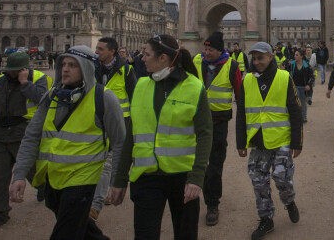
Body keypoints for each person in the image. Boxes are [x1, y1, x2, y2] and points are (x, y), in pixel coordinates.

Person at [9, 46, 125, 240]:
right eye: (63, 64)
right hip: (53, 177)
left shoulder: (104, 98)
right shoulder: (51, 97)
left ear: (86, 69)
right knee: (81, 228)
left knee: (66, 232)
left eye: (73, 65)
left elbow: (119, 142)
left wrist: (116, 182)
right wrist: (19, 174)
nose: (65, 69)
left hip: (83, 178)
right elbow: (31, 137)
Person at [109, 34, 213, 240]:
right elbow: (132, 134)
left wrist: (197, 177)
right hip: (147, 176)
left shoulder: (194, 86)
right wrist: (120, 178)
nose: (141, 58)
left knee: (185, 235)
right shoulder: (140, 85)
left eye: (146, 54)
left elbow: (205, 134)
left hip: (183, 176)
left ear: (163, 58)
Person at [236, 42, 303, 240]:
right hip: (257, 141)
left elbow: (295, 110)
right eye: (254, 58)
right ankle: (266, 219)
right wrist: (241, 142)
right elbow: (241, 113)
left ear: (271, 57)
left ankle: (289, 201)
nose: (257, 62)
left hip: (281, 139)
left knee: (282, 179)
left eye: (260, 58)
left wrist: (297, 142)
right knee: (259, 183)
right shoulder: (247, 79)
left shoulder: (284, 77)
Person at [0, 52, 50, 234]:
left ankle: (43, 187)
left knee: (33, 172)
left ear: (25, 68)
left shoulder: (39, 78)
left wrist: (25, 83)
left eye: (15, 71)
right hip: (1, 135)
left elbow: (43, 100)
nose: (11, 74)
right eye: (9, 70)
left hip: (24, 133)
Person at [192, 32, 242, 226]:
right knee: (195, 163)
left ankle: (212, 203)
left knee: (214, 167)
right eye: (205, 48)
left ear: (220, 50)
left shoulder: (232, 66)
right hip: (195, 123)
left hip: (218, 124)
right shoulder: (196, 61)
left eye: (210, 49)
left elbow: (240, 95)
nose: (206, 52)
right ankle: (196, 195)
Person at [89, 37, 137, 221]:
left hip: (120, 121)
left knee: (108, 160)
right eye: (97, 48)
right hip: (97, 121)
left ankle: (96, 204)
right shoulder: (92, 68)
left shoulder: (126, 70)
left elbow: (134, 98)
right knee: (99, 158)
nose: (97, 52)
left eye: (101, 49)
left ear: (112, 51)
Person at [290, 49, 314, 123]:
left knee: (303, 103)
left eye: (297, 55)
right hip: (295, 87)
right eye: (294, 55)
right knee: (296, 102)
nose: (295, 56)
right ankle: (297, 117)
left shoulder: (307, 66)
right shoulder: (291, 65)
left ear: (301, 56)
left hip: (304, 87)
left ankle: (304, 117)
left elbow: (312, 77)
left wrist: (309, 85)